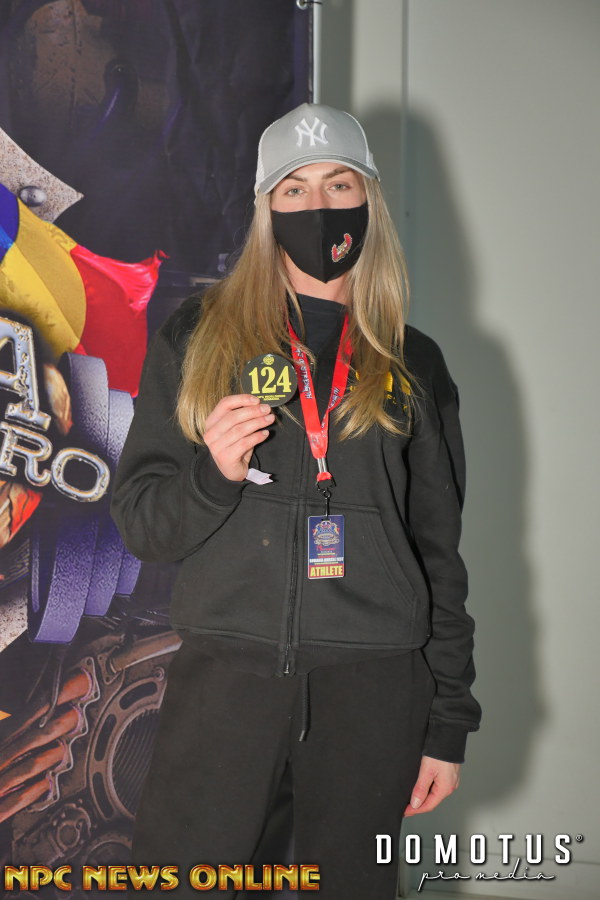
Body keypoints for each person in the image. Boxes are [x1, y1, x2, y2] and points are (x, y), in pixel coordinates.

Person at [111, 102, 481, 899]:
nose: (319, 207)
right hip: (225, 687)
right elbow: (143, 524)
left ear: (369, 199)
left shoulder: (412, 363)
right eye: (294, 189)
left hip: (373, 695)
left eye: (338, 184)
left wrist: (447, 723)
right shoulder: (199, 336)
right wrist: (213, 472)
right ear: (265, 210)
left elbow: (439, 559)